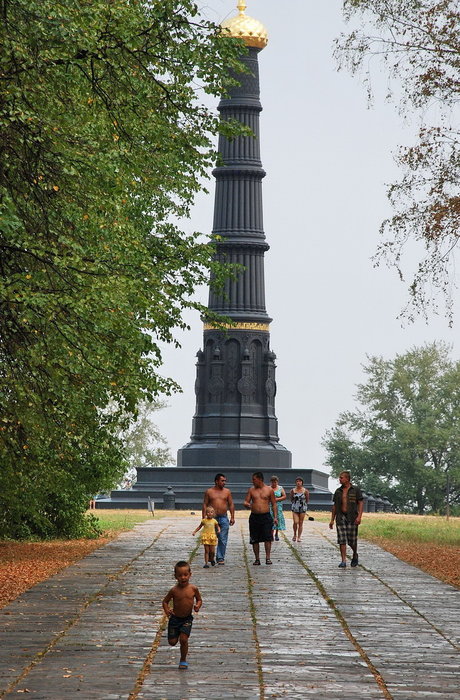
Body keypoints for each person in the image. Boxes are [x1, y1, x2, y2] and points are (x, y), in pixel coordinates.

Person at [162, 560, 202, 670]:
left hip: (187, 619)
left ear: (190, 575)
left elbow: (199, 599)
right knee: (172, 642)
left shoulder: (193, 589)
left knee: (184, 640)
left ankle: (183, 660)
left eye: (185, 575)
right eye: (180, 575)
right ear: (175, 576)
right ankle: (178, 633)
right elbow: (165, 601)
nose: (183, 577)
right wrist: (167, 610)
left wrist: (198, 606)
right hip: (175, 619)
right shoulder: (174, 590)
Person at [329, 470, 364, 568]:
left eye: (341, 477)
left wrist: (359, 516)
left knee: (352, 540)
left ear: (347, 479)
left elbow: (361, 503)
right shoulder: (338, 491)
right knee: (342, 539)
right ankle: (343, 560)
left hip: (352, 517)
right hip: (341, 517)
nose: (340, 479)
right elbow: (335, 506)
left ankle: (355, 554)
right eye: (339, 477)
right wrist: (332, 519)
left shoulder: (355, 490)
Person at [244, 471, 278, 565]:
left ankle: (268, 557)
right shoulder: (251, 490)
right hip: (254, 517)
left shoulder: (269, 490)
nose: (252, 481)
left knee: (267, 537)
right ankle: (257, 558)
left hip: (266, 516)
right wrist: (247, 505)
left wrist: (275, 517)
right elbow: (246, 501)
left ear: (260, 479)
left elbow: (274, 504)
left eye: (254, 479)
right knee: (254, 538)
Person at [202, 473, 235, 565]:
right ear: (216, 481)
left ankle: (220, 557)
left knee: (223, 538)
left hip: (223, 517)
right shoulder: (209, 492)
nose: (224, 482)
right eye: (222, 481)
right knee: (210, 538)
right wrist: (204, 517)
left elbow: (231, 504)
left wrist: (232, 516)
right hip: (212, 518)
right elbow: (205, 504)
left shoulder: (227, 492)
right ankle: (211, 556)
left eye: (225, 481)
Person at [290, 477, 309, 542]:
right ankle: (294, 534)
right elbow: (291, 499)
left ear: (302, 482)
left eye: (300, 481)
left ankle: (299, 537)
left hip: (302, 508)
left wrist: (304, 506)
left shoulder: (305, 491)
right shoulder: (293, 490)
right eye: (297, 481)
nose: (298, 482)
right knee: (295, 522)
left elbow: (307, 500)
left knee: (301, 523)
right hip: (295, 508)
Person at [269, 475, 286, 541]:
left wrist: (277, 499)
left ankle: (276, 533)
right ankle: (271, 533)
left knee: (277, 518)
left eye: (275, 482)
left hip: (278, 505)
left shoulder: (280, 488)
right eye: (272, 482)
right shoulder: (269, 488)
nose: (274, 484)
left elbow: (284, 496)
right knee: (271, 518)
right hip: (270, 506)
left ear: (277, 482)